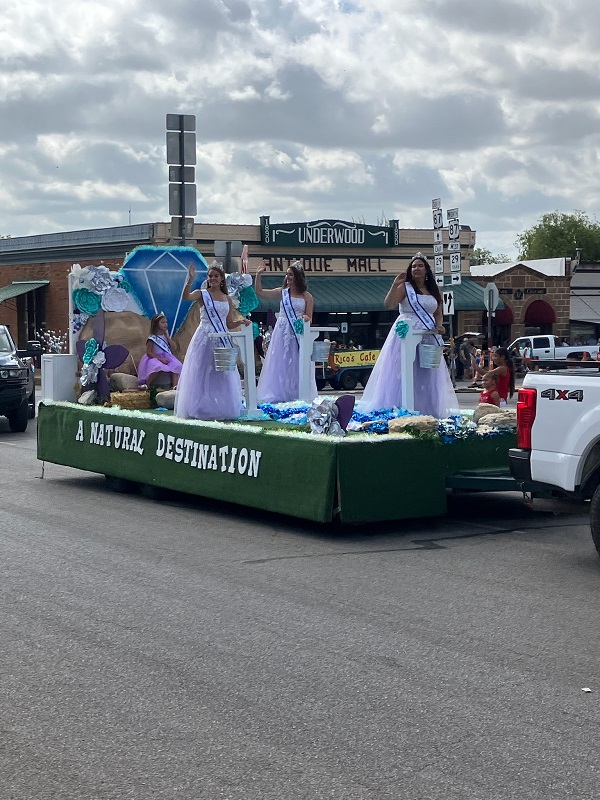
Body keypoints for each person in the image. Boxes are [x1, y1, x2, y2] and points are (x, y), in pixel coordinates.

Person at [357, 253, 458, 418]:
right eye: (413, 266)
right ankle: (400, 409)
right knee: (402, 371)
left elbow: (438, 313)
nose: (416, 269)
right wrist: (394, 285)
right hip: (407, 334)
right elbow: (389, 304)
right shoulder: (406, 288)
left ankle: (426, 410)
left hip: (427, 335)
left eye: (420, 266)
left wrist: (440, 326)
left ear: (427, 270)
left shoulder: (434, 290)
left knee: (425, 374)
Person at [174, 262, 251, 421]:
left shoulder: (227, 299)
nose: (213, 279)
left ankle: (222, 406)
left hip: (222, 337)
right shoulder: (202, 294)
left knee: (222, 373)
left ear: (222, 278)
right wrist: (190, 279)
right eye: (210, 276)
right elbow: (186, 297)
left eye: (216, 276)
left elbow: (228, 324)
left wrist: (240, 322)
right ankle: (200, 406)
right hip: (205, 337)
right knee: (202, 372)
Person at [255, 260, 316, 403]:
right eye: (287, 274)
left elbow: (310, 317)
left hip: (298, 332)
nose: (288, 277)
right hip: (282, 330)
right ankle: (278, 392)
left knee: (297, 362)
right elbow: (260, 292)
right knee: (280, 361)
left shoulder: (307, 296)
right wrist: (258, 275)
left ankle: (296, 392)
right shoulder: (282, 293)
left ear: (298, 277)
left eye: (291, 275)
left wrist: (305, 318)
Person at [137, 312, 182, 388]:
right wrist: (161, 359)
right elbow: (149, 352)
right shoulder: (152, 338)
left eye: (166, 322)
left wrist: (167, 337)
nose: (165, 324)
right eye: (162, 322)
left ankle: (175, 387)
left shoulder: (165, 336)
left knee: (177, 366)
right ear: (156, 324)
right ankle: (147, 384)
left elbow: (174, 347)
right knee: (157, 366)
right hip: (155, 357)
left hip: (166, 357)